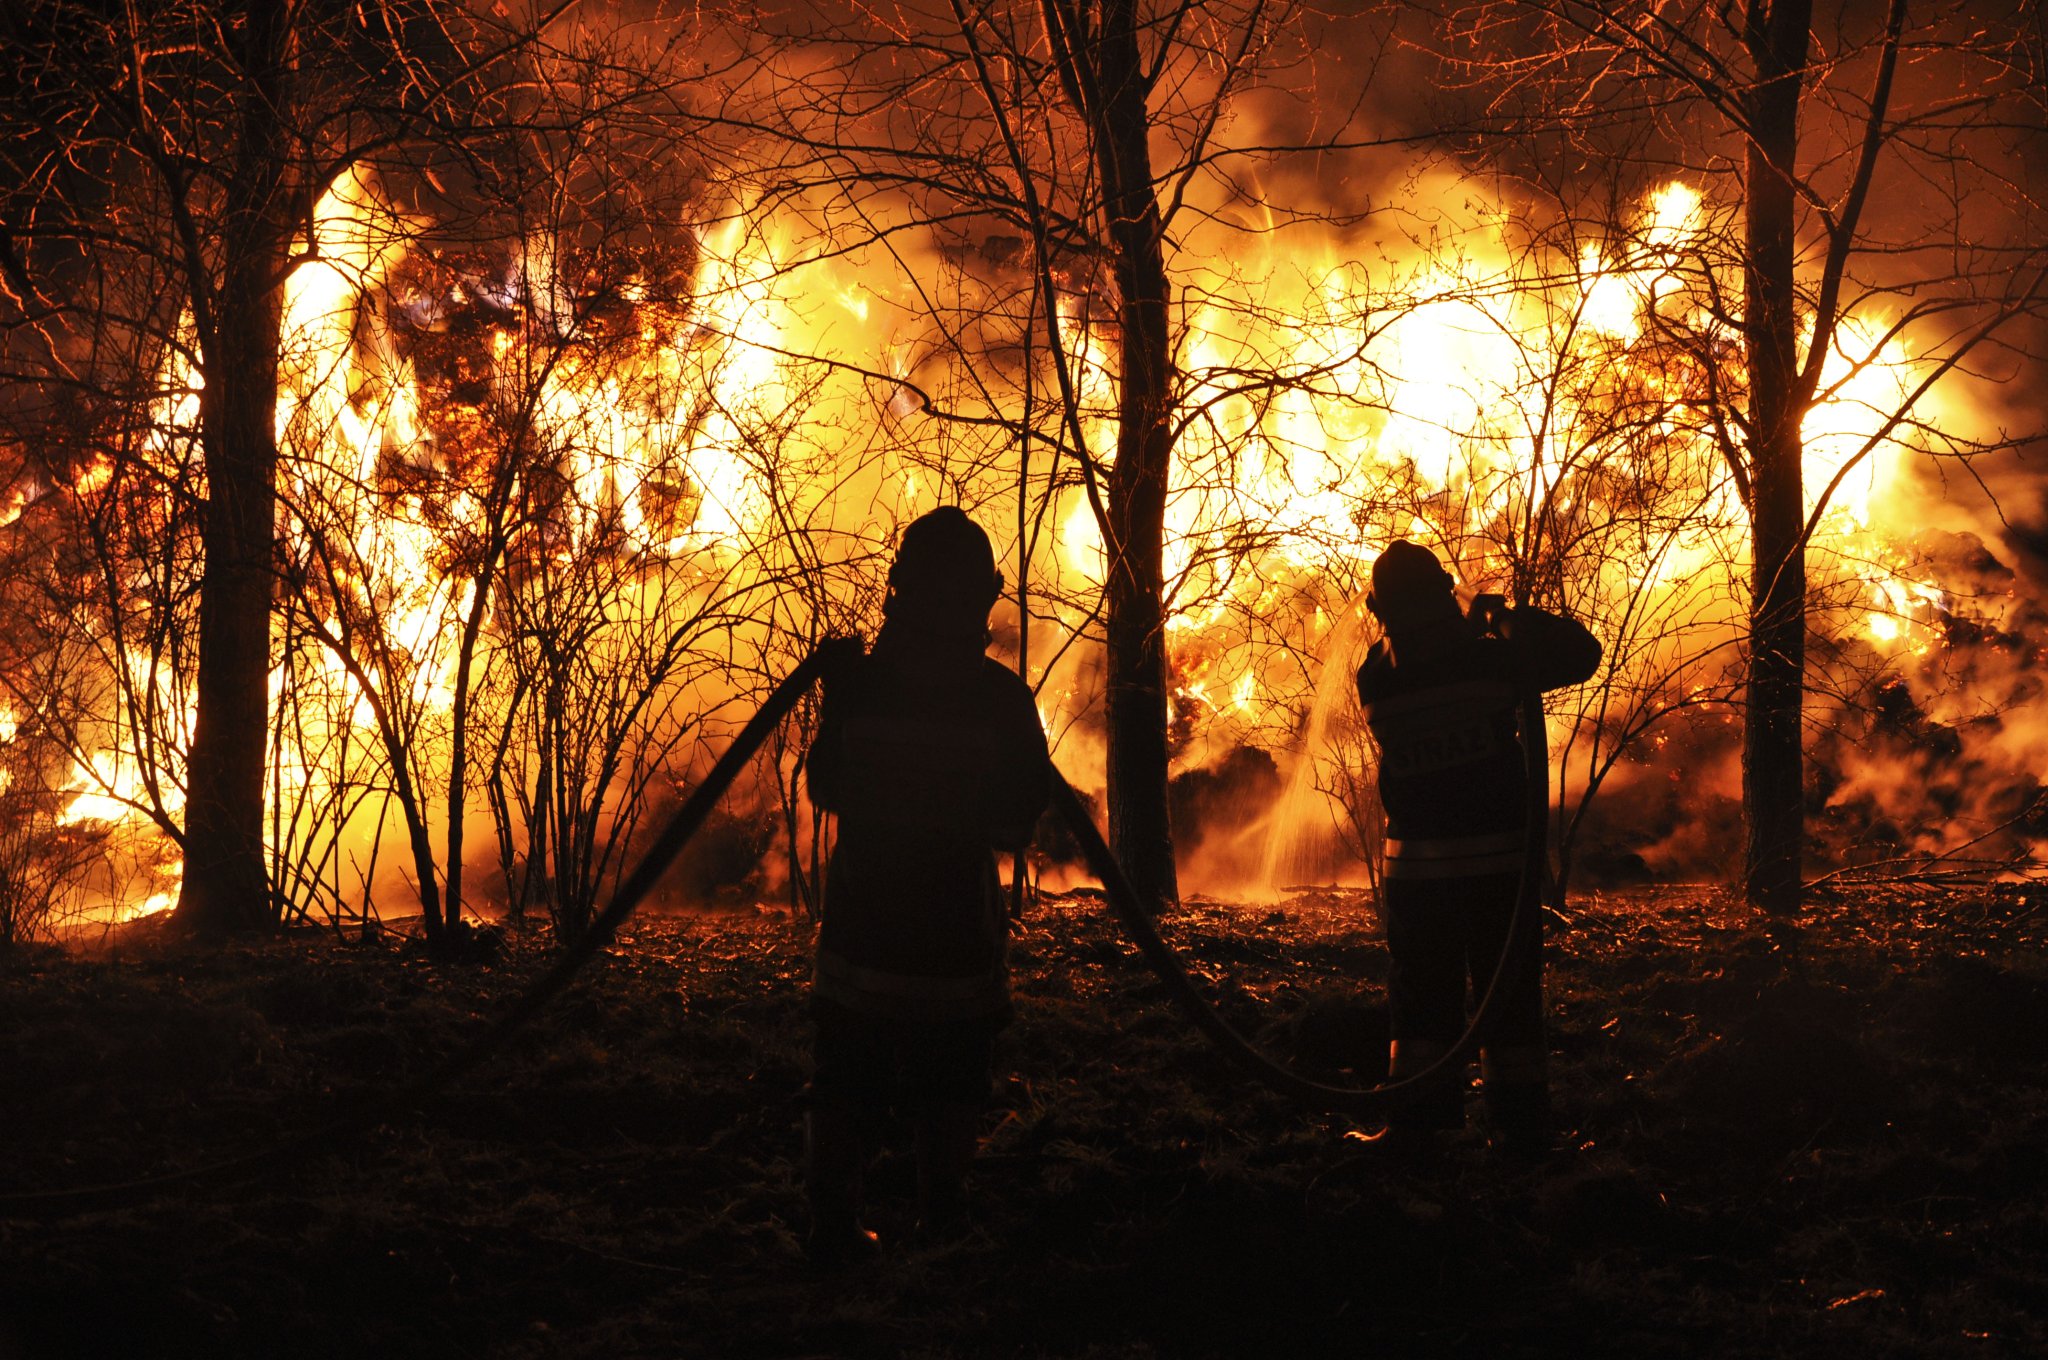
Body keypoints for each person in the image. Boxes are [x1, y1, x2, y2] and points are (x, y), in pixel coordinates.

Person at [802, 506, 1051, 1264]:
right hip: (954, 949)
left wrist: (841, 693)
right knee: (952, 1085)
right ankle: (942, 1220)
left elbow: (825, 788)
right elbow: (1015, 824)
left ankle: (831, 1227)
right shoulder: (1002, 700)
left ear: (897, 592)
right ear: (986, 597)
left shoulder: (865, 688)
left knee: (846, 1084)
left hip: (862, 941)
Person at [1354, 540, 1601, 1157]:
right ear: (1441, 597)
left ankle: (1418, 1122)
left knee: (1419, 1004)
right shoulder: (1490, 662)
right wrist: (1497, 614)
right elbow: (1581, 654)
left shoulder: (1376, 673)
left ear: (1380, 608)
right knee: (1509, 1001)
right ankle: (1520, 1129)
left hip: (1416, 878)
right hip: (1499, 872)